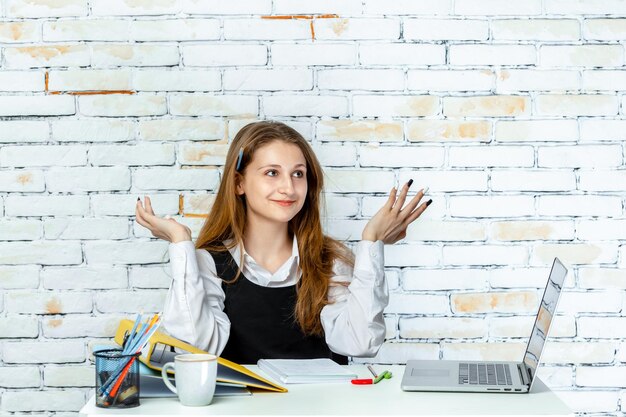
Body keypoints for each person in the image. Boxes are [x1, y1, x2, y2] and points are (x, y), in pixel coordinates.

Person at [135, 121, 431, 364]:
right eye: (272, 173)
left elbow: (361, 342)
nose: (288, 188)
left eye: (298, 174)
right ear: (239, 183)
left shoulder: (331, 261)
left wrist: (371, 243)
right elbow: (194, 347)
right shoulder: (208, 263)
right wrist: (181, 243)